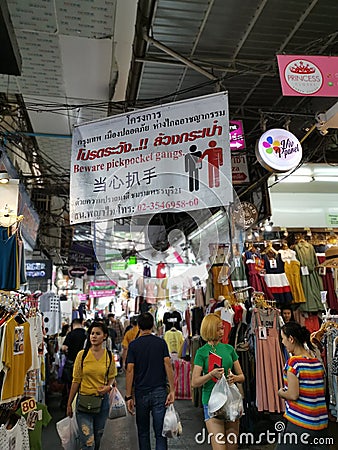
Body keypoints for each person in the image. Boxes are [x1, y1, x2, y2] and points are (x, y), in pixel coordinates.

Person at [192, 313, 245, 450]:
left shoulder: (229, 349)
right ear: (209, 329)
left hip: (231, 401)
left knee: (233, 446)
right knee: (220, 447)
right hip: (211, 402)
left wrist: (234, 378)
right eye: (218, 329)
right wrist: (210, 375)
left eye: (222, 328)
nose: (222, 332)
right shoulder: (201, 352)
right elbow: (195, 382)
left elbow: (242, 376)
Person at [125, 312, 175, 450]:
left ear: (138, 326)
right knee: (160, 433)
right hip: (159, 391)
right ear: (153, 325)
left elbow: (130, 370)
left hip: (141, 393)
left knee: (143, 433)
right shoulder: (160, 343)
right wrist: (172, 390)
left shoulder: (134, 346)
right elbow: (167, 365)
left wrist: (128, 396)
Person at [277, 321, 329, 450]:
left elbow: (293, 395)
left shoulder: (294, 362)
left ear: (291, 339)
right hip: (321, 423)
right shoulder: (317, 363)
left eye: (283, 338)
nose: (282, 342)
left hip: (300, 422)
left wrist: (281, 392)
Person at [66, 321, 117, 450]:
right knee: (88, 443)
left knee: (98, 440)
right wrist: (69, 403)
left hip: (101, 404)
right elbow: (76, 380)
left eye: (97, 334)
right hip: (83, 402)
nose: (94, 336)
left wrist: (108, 387)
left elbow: (112, 379)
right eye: (92, 333)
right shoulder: (82, 355)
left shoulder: (109, 357)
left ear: (104, 336)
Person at [61, 319, 87, 388]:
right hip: (84, 362)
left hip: (72, 361)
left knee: (72, 382)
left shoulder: (70, 334)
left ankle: (71, 396)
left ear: (73, 325)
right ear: (81, 324)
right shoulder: (86, 334)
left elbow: (64, 348)